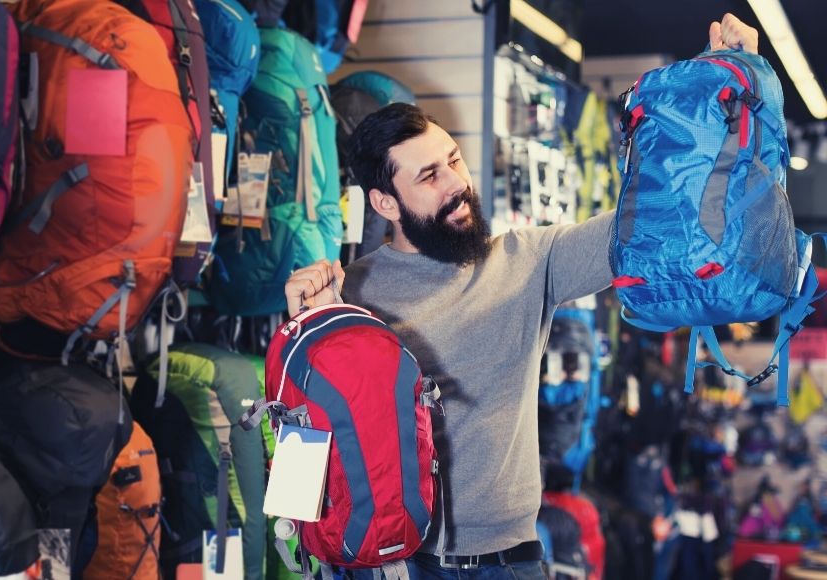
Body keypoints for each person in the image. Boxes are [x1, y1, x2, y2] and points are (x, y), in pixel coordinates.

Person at [284, 13, 759, 580]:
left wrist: (721, 85)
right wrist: (308, 329)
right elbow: (307, 449)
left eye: (454, 160)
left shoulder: (529, 260)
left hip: (508, 564)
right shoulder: (351, 293)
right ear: (385, 204)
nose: (457, 183)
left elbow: (656, 223)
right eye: (429, 176)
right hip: (394, 567)